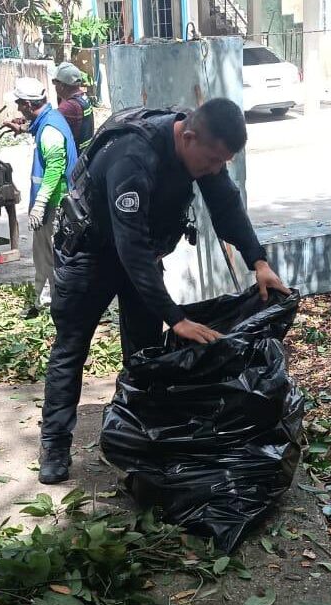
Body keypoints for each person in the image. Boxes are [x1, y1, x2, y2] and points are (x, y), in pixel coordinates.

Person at [38, 98, 290, 484]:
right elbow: (130, 249)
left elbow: (225, 203)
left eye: (222, 162)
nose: (213, 169)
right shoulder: (133, 158)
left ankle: (139, 435)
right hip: (91, 256)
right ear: (188, 137)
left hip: (142, 254)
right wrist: (175, 318)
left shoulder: (203, 148)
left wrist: (258, 261)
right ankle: (55, 445)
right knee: (71, 349)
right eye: (211, 161)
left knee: (144, 353)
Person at [4, 77, 78, 318]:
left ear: (27, 103)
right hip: (56, 204)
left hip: (54, 206)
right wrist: (23, 128)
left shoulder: (49, 132)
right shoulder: (51, 119)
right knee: (47, 256)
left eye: (19, 103)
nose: (17, 108)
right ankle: (51, 302)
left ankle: (50, 305)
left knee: (48, 257)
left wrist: (39, 206)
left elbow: (55, 169)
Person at [52, 62, 95, 152]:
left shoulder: (69, 107)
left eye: (55, 83)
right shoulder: (83, 97)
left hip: (76, 157)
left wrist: (23, 127)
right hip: (86, 152)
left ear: (62, 86)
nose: (55, 87)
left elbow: (48, 122)